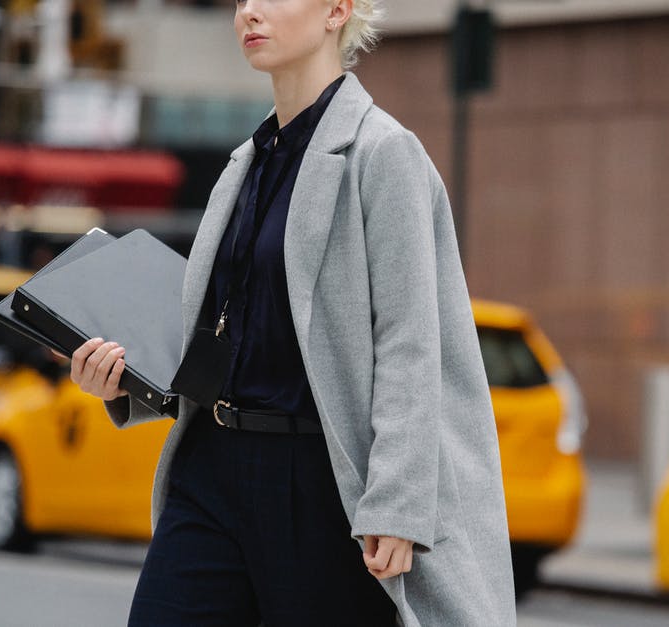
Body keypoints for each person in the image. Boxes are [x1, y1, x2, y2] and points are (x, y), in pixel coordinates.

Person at [68, 0, 516, 624]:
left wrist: (398, 501)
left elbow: (412, 341)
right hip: (212, 469)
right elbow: (223, 336)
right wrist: (124, 380)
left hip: (319, 483)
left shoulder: (383, 155)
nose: (249, 11)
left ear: (338, 10)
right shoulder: (243, 165)